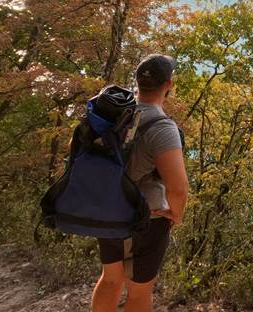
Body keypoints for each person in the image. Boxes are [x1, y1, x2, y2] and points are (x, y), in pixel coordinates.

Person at [92, 54, 189, 312]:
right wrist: (176, 215)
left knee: (110, 279)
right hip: (147, 218)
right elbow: (178, 188)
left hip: (107, 210)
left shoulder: (112, 114)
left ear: (137, 81)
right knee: (139, 290)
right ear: (168, 84)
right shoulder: (162, 127)